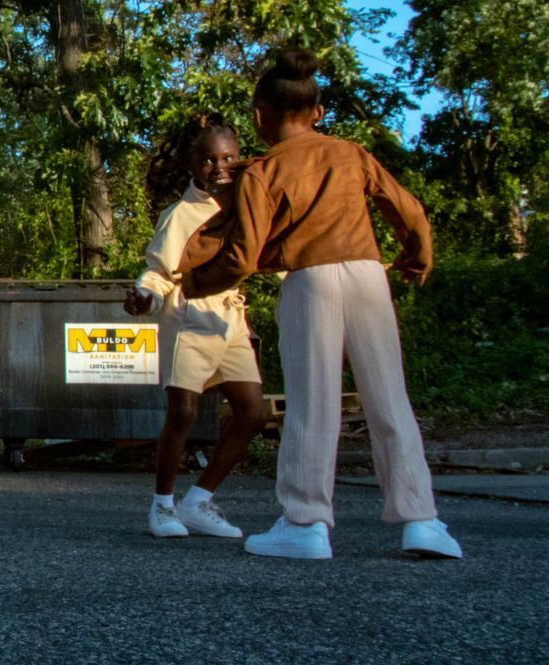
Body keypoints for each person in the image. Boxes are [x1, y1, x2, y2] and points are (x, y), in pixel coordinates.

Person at [184, 48, 460, 560]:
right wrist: (416, 258)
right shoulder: (351, 154)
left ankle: (306, 524)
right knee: (389, 400)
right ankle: (422, 520)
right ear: (319, 111)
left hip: (310, 281)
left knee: (314, 405)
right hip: (367, 276)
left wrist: (196, 282)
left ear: (259, 115)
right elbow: (410, 211)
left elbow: (243, 252)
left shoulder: (262, 171)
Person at [122, 114, 266, 540]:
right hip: (188, 317)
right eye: (207, 160)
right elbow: (159, 271)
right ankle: (162, 506)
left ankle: (199, 501)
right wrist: (144, 295)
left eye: (228, 158)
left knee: (252, 414)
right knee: (183, 412)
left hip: (231, 322)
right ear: (190, 162)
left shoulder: (247, 204)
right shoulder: (180, 214)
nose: (219, 167)